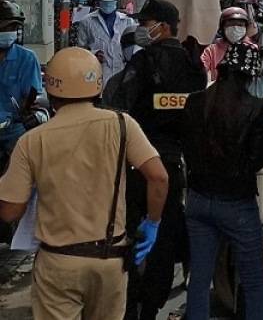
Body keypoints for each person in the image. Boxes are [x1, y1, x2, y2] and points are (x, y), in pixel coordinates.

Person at [0, 48, 169, 320]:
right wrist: (152, 223)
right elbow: (159, 177)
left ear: (50, 91)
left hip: (58, 263)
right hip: (110, 259)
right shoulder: (123, 124)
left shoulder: (32, 140)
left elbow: (9, 212)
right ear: (98, 85)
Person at [108, 0, 207, 320]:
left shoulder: (144, 61)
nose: (141, 29)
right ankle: (152, 306)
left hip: (139, 161)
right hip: (176, 164)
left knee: (129, 234)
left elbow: (118, 106)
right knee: (163, 237)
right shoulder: (196, 67)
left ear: (162, 27)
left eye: (145, 24)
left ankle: (131, 302)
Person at [182, 43, 263, 320]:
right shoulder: (256, 109)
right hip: (237, 204)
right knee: (254, 280)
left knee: (199, 278)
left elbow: (186, 146)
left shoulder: (195, 102)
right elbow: (257, 159)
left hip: (197, 200)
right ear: (251, 76)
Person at [0, 0, 44, 175]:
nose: (8, 32)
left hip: (15, 130)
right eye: (4, 28)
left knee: (27, 174)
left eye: (12, 28)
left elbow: (32, 94)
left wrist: (28, 106)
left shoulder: (27, 58)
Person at [72, 0, 138, 88]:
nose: (108, 4)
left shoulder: (127, 21)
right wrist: (94, 54)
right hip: (97, 77)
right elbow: (81, 51)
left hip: (121, 76)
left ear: (117, 0)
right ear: (98, 0)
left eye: (111, 1)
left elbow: (134, 50)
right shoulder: (87, 21)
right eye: (104, 1)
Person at [202, 6, 254, 83]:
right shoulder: (211, 50)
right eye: (231, 25)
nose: (235, 29)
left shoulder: (252, 49)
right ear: (222, 27)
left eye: (240, 25)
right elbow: (201, 70)